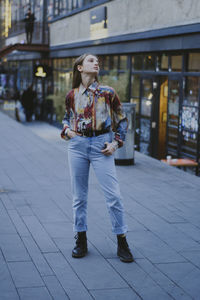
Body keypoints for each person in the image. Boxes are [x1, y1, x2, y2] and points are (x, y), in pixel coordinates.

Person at [61, 53, 134, 263]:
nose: (96, 63)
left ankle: (122, 241)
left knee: (114, 197)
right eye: (91, 60)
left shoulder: (108, 93)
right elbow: (67, 118)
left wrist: (115, 143)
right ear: (80, 68)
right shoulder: (72, 95)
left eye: (97, 61)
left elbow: (122, 120)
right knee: (79, 197)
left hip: (102, 146)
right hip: (77, 147)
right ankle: (80, 239)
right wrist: (68, 132)